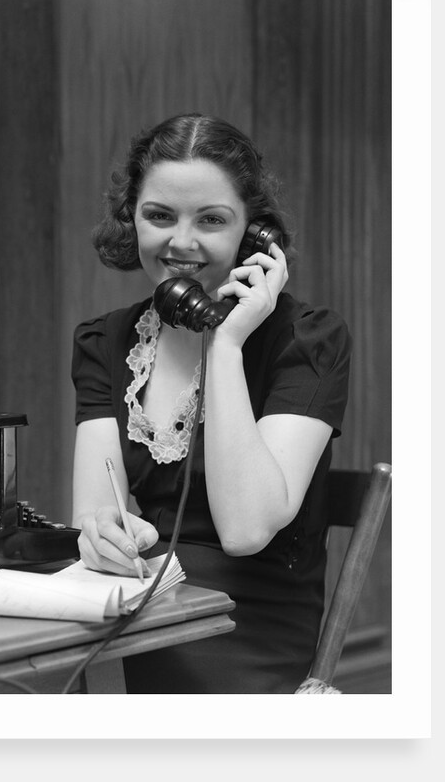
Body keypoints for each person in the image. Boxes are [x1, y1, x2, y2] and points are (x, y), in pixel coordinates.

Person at [70, 113, 352, 693]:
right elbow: (95, 514)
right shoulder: (106, 342)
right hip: (138, 612)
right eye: (159, 216)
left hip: (250, 633)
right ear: (131, 219)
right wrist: (105, 536)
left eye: (211, 220)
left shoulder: (308, 340)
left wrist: (226, 343)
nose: (181, 241)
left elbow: (246, 529)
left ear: (254, 236)